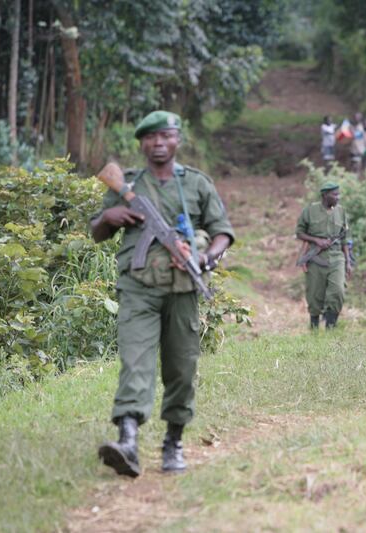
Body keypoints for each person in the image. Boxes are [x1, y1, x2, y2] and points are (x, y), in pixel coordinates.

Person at [91, 110, 234, 476]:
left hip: (184, 289)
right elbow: (97, 231)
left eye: (166, 136)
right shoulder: (130, 185)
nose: (159, 143)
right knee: (135, 361)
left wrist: (206, 256)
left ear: (178, 140)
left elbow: (222, 232)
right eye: (151, 137)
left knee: (181, 368)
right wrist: (110, 218)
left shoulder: (197, 185)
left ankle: (174, 441)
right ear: (142, 143)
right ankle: (128, 440)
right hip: (138, 288)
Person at [296, 182, 352, 329]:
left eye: (338, 194)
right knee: (314, 295)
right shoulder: (309, 210)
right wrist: (316, 240)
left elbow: (345, 238)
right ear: (324, 195)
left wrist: (348, 262)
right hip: (315, 258)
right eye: (334, 194)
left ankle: (331, 328)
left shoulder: (341, 211)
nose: (337, 197)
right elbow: (300, 233)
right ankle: (314, 328)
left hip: (337, 257)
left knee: (338, 291)